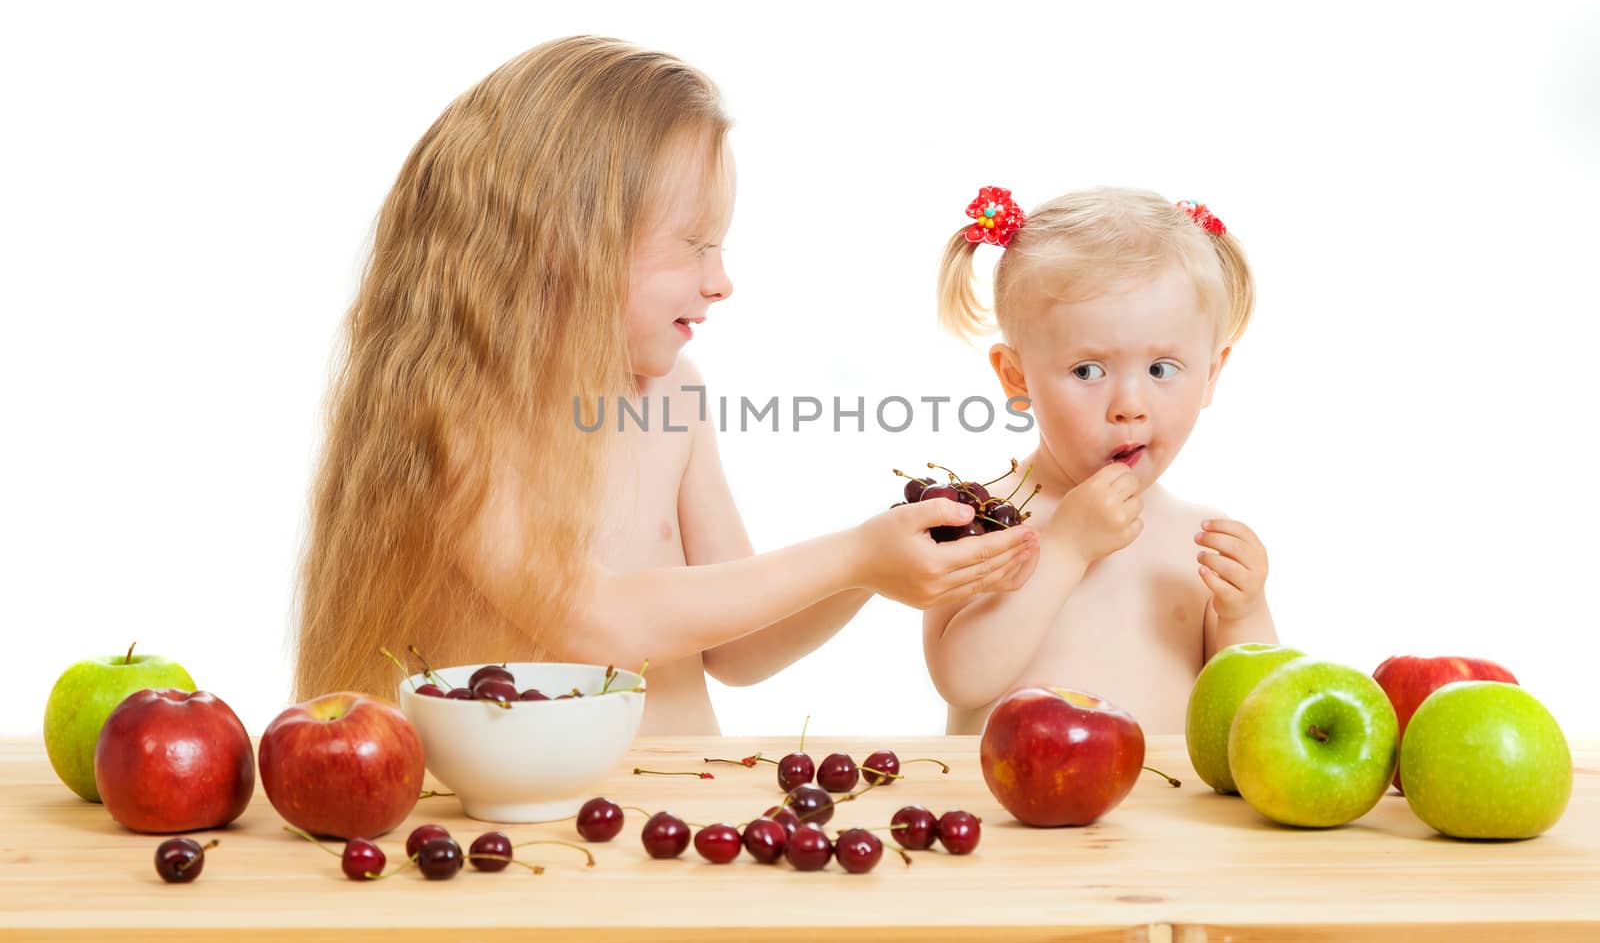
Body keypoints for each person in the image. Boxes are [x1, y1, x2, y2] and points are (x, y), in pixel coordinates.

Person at [293, 37, 1039, 733]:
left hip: (675, 820)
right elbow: (592, 617)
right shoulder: (455, 410)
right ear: (564, 239)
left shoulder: (673, 395)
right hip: (517, 845)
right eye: (693, 246)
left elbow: (742, 649)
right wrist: (853, 557)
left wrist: (878, 563)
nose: (721, 282)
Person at [924, 186, 1277, 734]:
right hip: (1005, 815)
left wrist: (1244, 611)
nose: (1129, 407)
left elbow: (1254, 720)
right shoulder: (978, 519)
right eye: (1089, 371)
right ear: (1016, 377)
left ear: (1211, 373)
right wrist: (1065, 546)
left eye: (1162, 369)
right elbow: (962, 679)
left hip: (1159, 816)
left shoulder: (1200, 541)